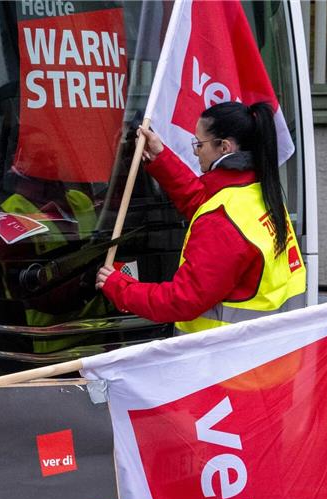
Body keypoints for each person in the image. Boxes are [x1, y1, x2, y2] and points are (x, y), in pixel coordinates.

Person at [95, 101, 307, 334]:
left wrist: (121, 288)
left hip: (222, 361)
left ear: (224, 147)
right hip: (268, 353)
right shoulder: (260, 191)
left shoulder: (221, 220)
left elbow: (182, 299)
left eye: (199, 144)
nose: (196, 152)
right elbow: (203, 201)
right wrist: (161, 158)